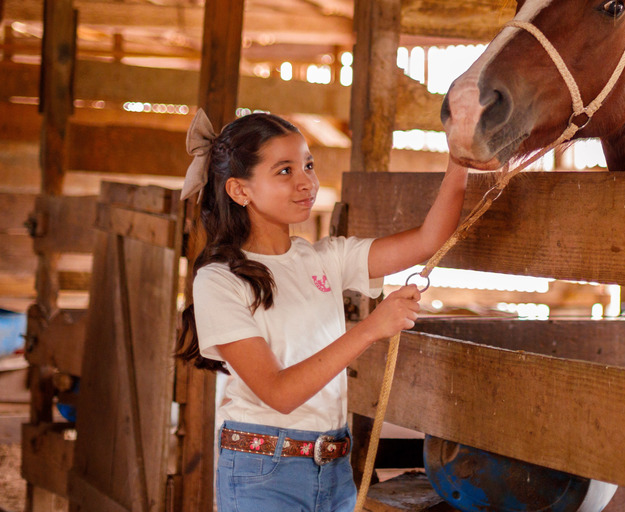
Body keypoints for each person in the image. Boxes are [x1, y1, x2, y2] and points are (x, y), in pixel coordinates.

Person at [173, 109, 468, 512]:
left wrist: (460, 162)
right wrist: (368, 330)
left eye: (308, 165)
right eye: (284, 171)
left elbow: (428, 239)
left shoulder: (326, 258)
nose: (305, 182)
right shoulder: (218, 280)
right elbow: (279, 393)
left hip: (334, 468)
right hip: (264, 473)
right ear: (240, 191)